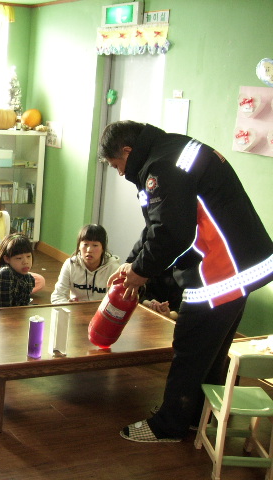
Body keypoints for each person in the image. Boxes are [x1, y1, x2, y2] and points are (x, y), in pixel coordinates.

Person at [98, 120, 273, 443]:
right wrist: (132, 262)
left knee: (191, 344)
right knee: (212, 350)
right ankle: (196, 414)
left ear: (128, 151)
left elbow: (172, 232)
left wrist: (141, 272)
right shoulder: (171, 149)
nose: (120, 173)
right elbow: (158, 223)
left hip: (221, 268)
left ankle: (168, 426)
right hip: (246, 262)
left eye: (116, 165)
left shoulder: (161, 168)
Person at [0, 184, 45, 293]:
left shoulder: (4, 216)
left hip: (3, 266)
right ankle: (9, 289)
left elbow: (7, 245)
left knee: (39, 280)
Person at [50, 224, 120, 304]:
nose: (89, 250)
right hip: (75, 309)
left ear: (103, 248)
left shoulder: (114, 268)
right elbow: (58, 295)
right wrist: (68, 308)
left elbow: (118, 301)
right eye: (85, 244)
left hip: (102, 310)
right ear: (79, 246)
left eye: (95, 245)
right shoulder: (70, 264)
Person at [0, 234, 36, 309]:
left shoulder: (29, 279)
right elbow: (5, 310)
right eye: (19, 258)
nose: (25, 262)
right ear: (7, 259)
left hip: (11, 313)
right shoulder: (5, 274)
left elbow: (23, 306)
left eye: (28, 256)